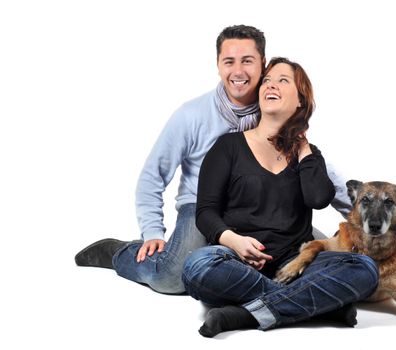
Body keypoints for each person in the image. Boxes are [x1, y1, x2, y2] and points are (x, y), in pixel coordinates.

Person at [75, 25, 351, 295]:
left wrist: (360, 216)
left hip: (266, 207)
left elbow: (319, 174)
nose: (238, 71)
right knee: (171, 277)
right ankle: (119, 253)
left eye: (248, 61)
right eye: (228, 61)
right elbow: (153, 175)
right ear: (218, 65)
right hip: (202, 206)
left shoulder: (274, 107)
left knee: (321, 256)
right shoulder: (191, 116)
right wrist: (152, 232)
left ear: (262, 64)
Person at [182, 57, 379, 337]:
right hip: (236, 261)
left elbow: (318, 198)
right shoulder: (229, 146)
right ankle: (318, 305)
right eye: (267, 80)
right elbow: (206, 211)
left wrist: (302, 147)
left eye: (282, 80)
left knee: (364, 268)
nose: (270, 85)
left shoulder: (309, 156)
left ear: (300, 101)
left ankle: (246, 315)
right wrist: (234, 241)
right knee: (196, 267)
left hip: (295, 264)